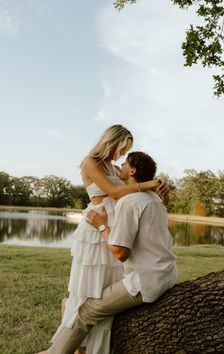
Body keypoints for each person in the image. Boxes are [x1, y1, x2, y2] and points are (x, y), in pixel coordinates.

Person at [36, 125, 167, 354]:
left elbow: (128, 189)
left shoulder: (116, 168)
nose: (123, 154)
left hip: (114, 231)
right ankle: (76, 342)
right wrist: (149, 184)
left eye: (127, 150)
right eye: (122, 147)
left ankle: (86, 345)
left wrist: (158, 187)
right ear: (111, 141)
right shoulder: (90, 162)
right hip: (96, 231)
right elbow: (114, 193)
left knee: (106, 290)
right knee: (90, 289)